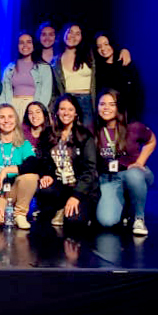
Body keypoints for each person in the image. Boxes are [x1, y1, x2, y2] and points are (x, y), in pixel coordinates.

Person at [94, 90, 155, 235]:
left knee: (133, 175)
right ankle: (124, 204)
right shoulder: (93, 129)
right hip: (110, 179)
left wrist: (140, 162)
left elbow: (151, 141)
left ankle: (139, 218)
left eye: (112, 104)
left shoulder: (133, 127)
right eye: (102, 104)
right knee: (106, 221)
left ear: (119, 107)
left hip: (134, 173)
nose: (106, 108)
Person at [34, 94, 100, 229]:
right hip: (60, 186)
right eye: (62, 109)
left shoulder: (84, 136)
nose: (66, 113)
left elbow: (89, 170)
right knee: (44, 189)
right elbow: (43, 159)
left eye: (70, 109)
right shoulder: (48, 134)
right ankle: (59, 207)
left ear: (76, 113)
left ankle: (75, 210)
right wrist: (46, 174)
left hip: (80, 189)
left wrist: (76, 196)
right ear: (57, 112)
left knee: (74, 222)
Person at [0, 104, 39, 229]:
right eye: (2, 117)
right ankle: (5, 210)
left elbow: (33, 164)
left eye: (10, 117)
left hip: (12, 192)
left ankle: (20, 213)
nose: (6, 121)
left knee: (31, 177)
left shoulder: (23, 143)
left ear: (16, 120)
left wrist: (6, 170)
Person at [50, 24, 96, 128]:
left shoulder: (90, 55)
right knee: (68, 133)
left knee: (87, 133)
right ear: (64, 33)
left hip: (86, 101)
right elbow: (53, 90)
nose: (73, 36)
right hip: (67, 101)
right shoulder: (56, 61)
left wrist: (124, 52)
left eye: (77, 33)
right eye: (70, 32)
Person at [0, 32, 53, 117]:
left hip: (34, 108)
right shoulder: (10, 68)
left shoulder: (44, 68)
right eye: (21, 43)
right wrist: (5, 111)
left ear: (34, 45)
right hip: (14, 107)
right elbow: (4, 92)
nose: (25, 45)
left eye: (28, 42)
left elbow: (45, 94)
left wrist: (36, 111)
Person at [95, 32, 143, 120]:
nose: (103, 48)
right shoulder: (97, 68)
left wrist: (136, 116)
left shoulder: (126, 63)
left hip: (127, 114)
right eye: (99, 46)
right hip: (106, 115)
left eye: (106, 44)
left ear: (112, 43)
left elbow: (137, 92)